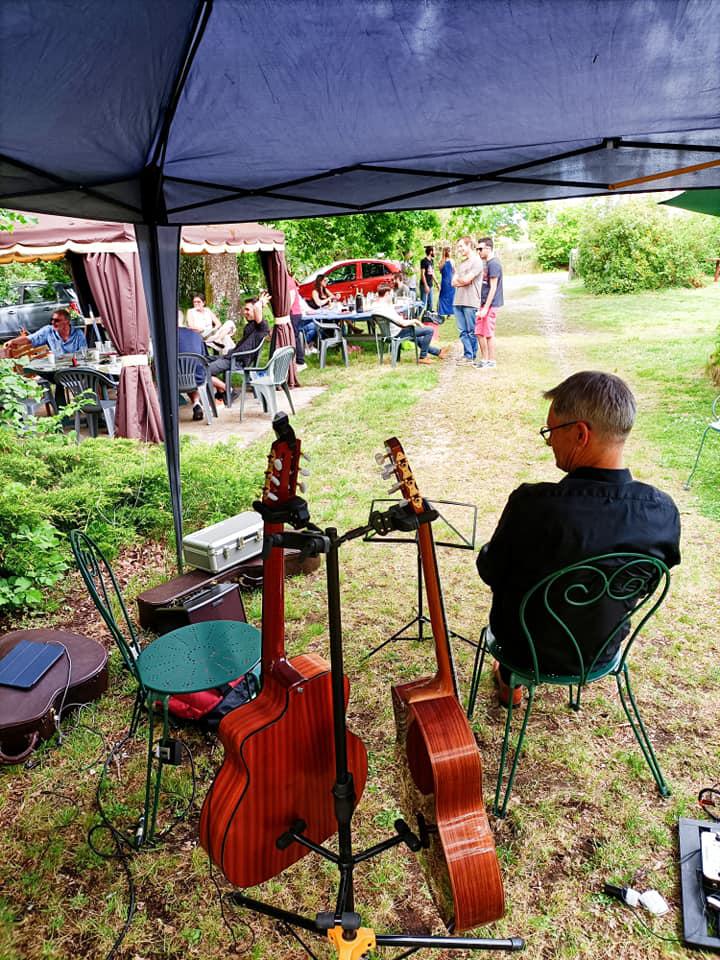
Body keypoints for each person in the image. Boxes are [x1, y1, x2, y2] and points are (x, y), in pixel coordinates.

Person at [475, 371, 681, 706]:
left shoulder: (532, 505)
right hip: (601, 650)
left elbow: (491, 571)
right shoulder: (662, 511)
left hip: (524, 649)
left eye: (551, 432)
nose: (549, 443)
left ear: (580, 433)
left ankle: (510, 681)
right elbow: (647, 582)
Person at [207, 295, 270, 404]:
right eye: (244, 309)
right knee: (203, 360)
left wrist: (261, 302)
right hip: (230, 357)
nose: (245, 312)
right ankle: (221, 392)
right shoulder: (249, 326)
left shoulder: (261, 327)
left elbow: (257, 308)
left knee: (203, 372)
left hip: (236, 361)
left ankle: (229, 391)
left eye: (248, 309)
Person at [372, 282, 448, 365]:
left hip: (388, 333)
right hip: (398, 332)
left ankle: (438, 352)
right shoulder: (387, 308)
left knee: (418, 338)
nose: (392, 295)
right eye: (390, 293)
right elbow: (403, 323)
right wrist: (415, 321)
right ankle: (423, 357)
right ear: (387, 294)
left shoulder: (375, 306)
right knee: (429, 330)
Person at [3, 308, 87, 357]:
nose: (53, 322)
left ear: (67, 321)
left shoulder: (78, 333)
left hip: (75, 367)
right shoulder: (48, 330)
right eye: (52, 320)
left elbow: (84, 353)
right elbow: (30, 339)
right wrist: (12, 341)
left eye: (57, 320)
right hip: (57, 369)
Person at [451, 236, 483, 363]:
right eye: (458, 247)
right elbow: (453, 282)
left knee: (471, 331)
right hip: (458, 301)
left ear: (469, 245)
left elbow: (466, 280)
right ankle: (467, 354)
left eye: (461, 246)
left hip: (471, 301)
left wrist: (461, 280)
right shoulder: (462, 263)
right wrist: (462, 281)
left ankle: (471, 355)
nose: (459, 249)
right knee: (462, 331)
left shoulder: (477, 261)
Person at [474, 237, 503, 369]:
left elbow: (493, 287)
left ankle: (490, 361)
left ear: (488, 248)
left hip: (490, 305)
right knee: (480, 332)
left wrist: (485, 308)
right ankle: (485, 359)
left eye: (480, 249)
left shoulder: (494, 264)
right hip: (484, 303)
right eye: (477, 249)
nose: (478, 251)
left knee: (487, 333)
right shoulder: (486, 263)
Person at [178, 322, 209, 421]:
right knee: (193, 371)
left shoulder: (165, 337)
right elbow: (204, 357)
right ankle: (196, 403)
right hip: (197, 379)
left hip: (174, 381)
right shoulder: (196, 335)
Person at [437, 246, 455, 319]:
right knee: (450, 296)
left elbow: (440, 271)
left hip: (444, 281)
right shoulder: (452, 261)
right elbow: (454, 271)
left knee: (443, 296)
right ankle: (449, 313)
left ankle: (442, 312)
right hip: (450, 280)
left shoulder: (441, 262)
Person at [419, 245, 435, 311]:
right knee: (423, 303)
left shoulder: (432, 261)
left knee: (430, 303)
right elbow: (422, 274)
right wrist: (426, 286)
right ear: (431, 252)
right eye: (434, 251)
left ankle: (428, 316)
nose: (435, 252)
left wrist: (437, 283)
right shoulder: (424, 261)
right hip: (424, 285)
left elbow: (432, 273)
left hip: (430, 285)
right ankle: (418, 315)